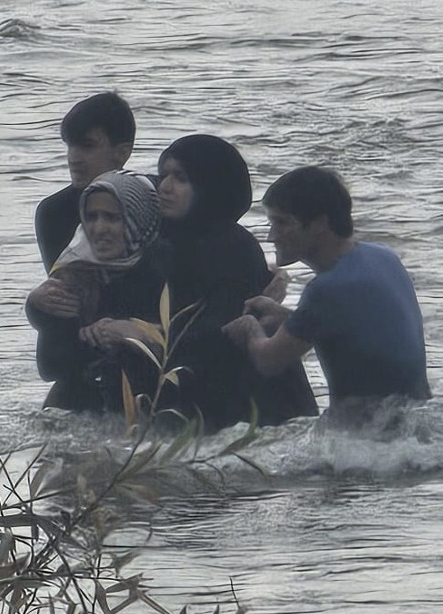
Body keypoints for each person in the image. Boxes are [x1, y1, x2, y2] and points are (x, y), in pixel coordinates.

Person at [222, 166, 430, 414]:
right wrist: (285, 316)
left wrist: (249, 327)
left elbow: (269, 361)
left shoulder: (325, 289)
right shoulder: (383, 256)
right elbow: (350, 330)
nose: (271, 236)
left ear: (320, 224)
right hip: (416, 414)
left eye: (282, 222)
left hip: (370, 430)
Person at [152, 135, 319, 432]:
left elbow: (221, 330)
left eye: (180, 178)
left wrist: (145, 336)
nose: (164, 186)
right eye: (163, 175)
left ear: (208, 185)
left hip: (243, 403)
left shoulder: (233, 247)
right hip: (185, 386)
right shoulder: (158, 237)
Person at [26, 170, 165, 413]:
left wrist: (135, 335)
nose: (99, 228)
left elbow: (193, 349)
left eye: (112, 218)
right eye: (91, 217)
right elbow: (50, 366)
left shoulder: (168, 266)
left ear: (138, 218)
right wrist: (39, 309)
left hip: (158, 400)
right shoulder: (76, 271)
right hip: (85, 402)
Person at [34, 92, 136, 277]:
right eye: (70, 146)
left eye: (87, 146)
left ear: (122, 153)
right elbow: (63, 284)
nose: (73, 158)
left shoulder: (150, 203)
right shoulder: (54, 212)